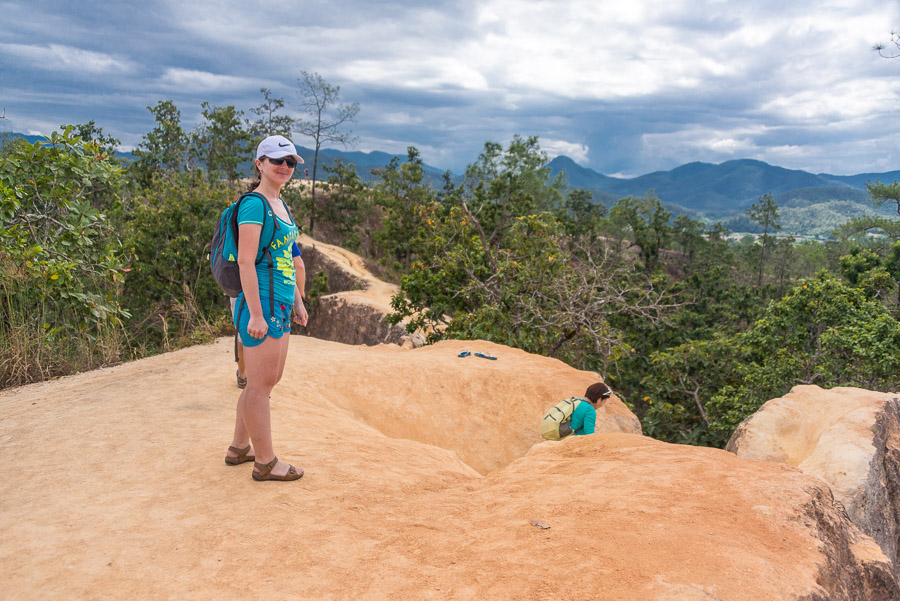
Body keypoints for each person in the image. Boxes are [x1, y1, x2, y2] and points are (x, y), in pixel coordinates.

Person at [224, 134, 309, 481]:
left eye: (290, 162)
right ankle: (266, 462)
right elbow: (246, 262)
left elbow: (287, 258)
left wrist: (299, 302)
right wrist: (257, 314)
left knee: (262, 382)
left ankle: (239, 447)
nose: (285, 167)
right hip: (262, 303)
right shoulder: (254, 204)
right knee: (261, 385)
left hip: (280, 300)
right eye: (277, 161)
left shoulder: (281, 205)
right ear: (259, 163)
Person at [231, 240, 306, 389]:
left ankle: (243, 374)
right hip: (273, 292)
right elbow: (297, 264)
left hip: (240, 286)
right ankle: (254, 384)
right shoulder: (280, 226)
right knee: (262, 385)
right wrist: (301, 295)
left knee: (243, 335)